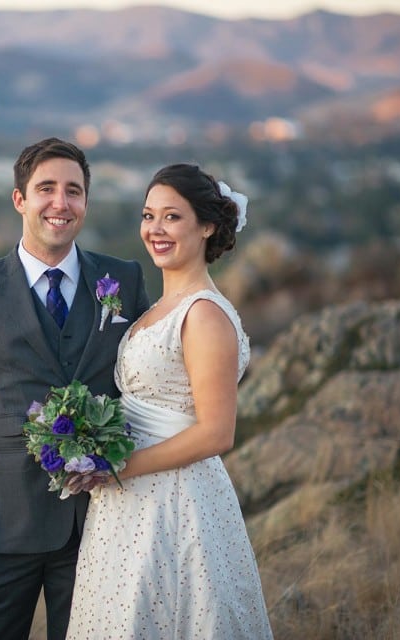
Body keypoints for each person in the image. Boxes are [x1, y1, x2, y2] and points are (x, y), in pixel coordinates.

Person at [0, 137, 151, 639]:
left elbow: (147, 383)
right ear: (19, 199)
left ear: (85, 204)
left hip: (101, 520)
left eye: (73, 191)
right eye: (46, 188)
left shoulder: (124, 279)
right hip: (5, 522)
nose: (60, 202)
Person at [67, 164, 273, 639]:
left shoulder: (203, 315)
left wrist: (121, 466)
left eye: (172, 218)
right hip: (126, 502)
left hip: (175, 502)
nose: (155, 230)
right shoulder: (155, 308)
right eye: (148, 215)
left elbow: (217, 432)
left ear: (206, 227)